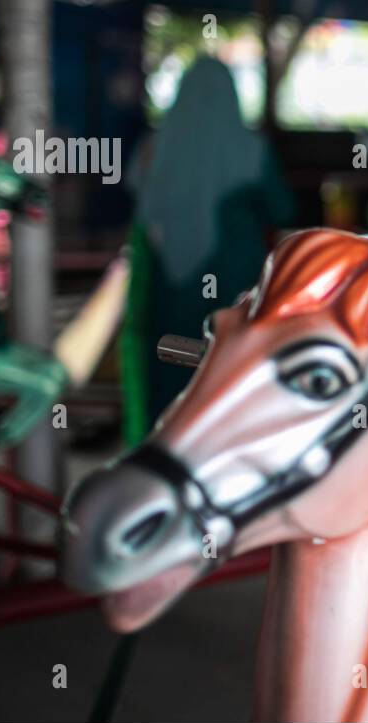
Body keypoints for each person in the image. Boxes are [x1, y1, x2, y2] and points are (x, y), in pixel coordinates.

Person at [120, 57, 297, 444]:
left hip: (168, 290)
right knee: (229, 380)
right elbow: (282, 209)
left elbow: (138, 203)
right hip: (236, 287)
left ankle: (166, 470)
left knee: (170, 384)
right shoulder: (252, 149)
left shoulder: (153, 148)